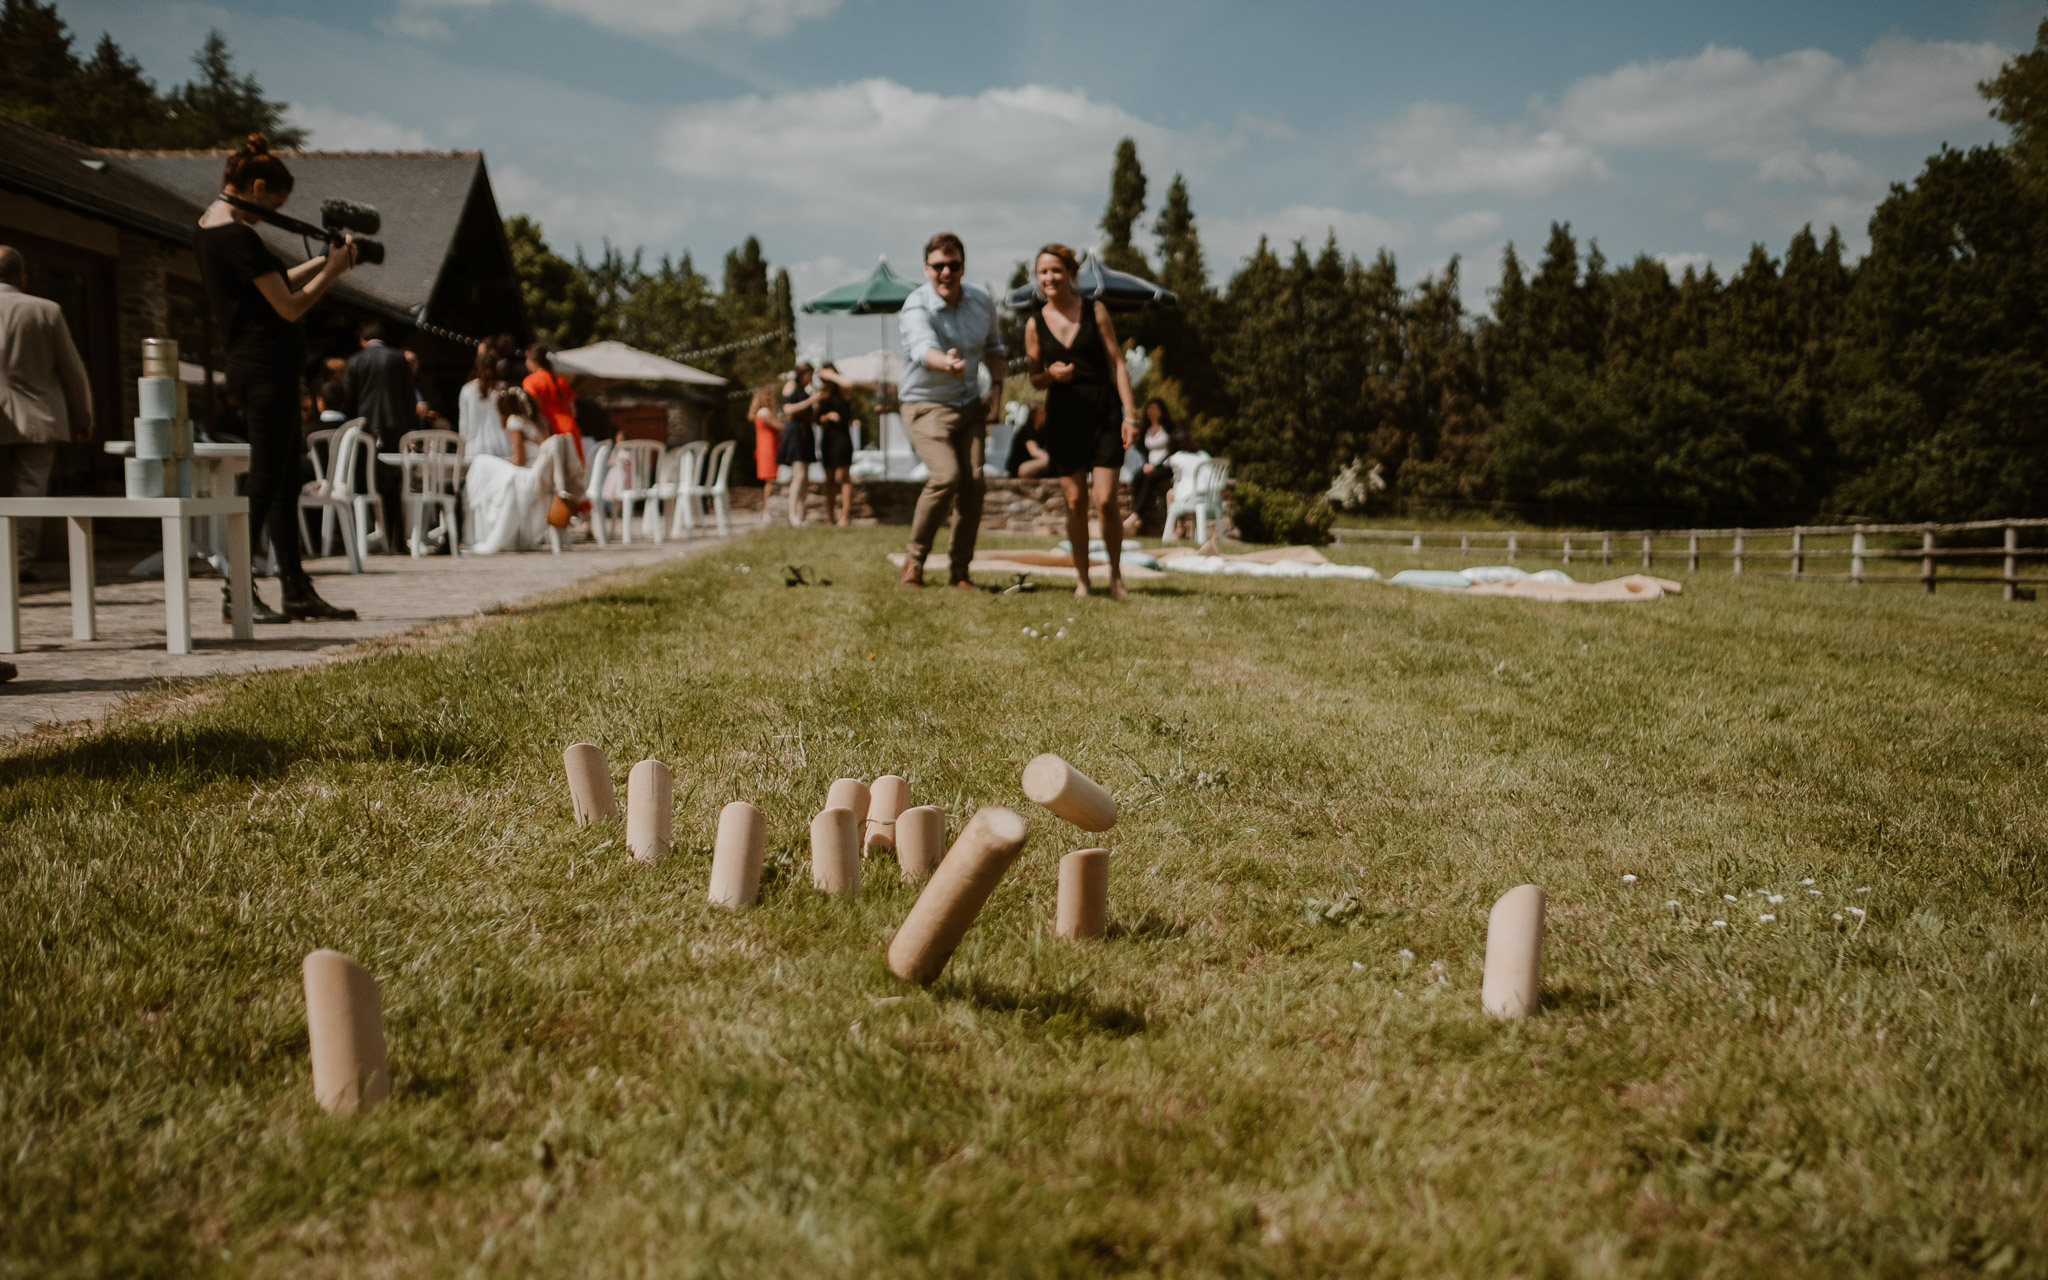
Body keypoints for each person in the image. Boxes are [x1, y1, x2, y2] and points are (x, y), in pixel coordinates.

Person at [195, 134, 357, 621]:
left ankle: (295, 588)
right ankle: (237, 593)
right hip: (265, 370)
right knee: (265, 481)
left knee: (285, 480)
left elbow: (274, 281)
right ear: (255, 185)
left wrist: (325, 262)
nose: (267, 214)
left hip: (261, 369)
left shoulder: (209, 227)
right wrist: (331, 275)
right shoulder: (237, 235)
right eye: (270, 204)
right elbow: (288, 307)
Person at [1023, 243, 1139, 598]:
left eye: (1056, 270)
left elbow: (1117, 362)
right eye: (1043, 272)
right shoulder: (1034, 323)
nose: (1049, 277)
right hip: (1064, 418)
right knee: (1075, 502)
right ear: (1037, 277)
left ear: (1070, 274)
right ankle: (1083, 580)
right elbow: (1034, 378)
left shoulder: (1095, 309)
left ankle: (1116, 576)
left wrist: (1130, 414)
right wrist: (1051, 376)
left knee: (1105, 501)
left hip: (1103, 412)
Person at [898, 231, 1005, 588]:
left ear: (963, 266)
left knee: (974, 483)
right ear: (926, 269)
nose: (946, 272)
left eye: (953, 265)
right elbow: (921, 348)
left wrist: (998, 391)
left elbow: (995, 346)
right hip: (925, 405)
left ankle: (960, 570)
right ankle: (914, 562)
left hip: (969, 404)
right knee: (946, 477)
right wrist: (946, 363)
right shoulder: (916, 305)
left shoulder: (982, 301)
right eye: (938, 266)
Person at [0, 245, 93, 580]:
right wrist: (83, 418)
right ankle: (17, 564)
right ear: (21, 275)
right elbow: (72, 370)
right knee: (29, 489)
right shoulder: (46, 311)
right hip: (38, 417)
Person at [463, 386, 585, 555]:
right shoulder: (541, 421)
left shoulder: (515, 421)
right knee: (489, 471)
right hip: (544, 477)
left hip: (530, 475)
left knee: (481, 464)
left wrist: (502, 461)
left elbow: (519, 460)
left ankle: (481, 533)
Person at [1124, 398, 1189, 533]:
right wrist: (1146, 464)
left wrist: (1157, 465)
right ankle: (1139, 515)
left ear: (1161, 411)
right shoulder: (1145, 429)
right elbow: (1142, 449)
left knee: (1150, 478)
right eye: (1149, 408)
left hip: (1166, 466)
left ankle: (1136, 514)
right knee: (1137, 477)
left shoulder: (1169, 429)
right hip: (1150, 464)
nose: (1151, 412)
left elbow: (1173, 450)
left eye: (1154, 409)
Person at [776, 361, 818, 527]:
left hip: (806, 432)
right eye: (809, 374)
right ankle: (792, 515)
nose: (811, 378)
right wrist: (809, 402)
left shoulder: (805, 390)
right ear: (803, 374)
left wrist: (814, 407)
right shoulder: (791, 385)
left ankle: (801, 515)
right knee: (799, 475)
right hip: (795, 433)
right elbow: (787, 409)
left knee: (805, 477)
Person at [815, 362, 856, 526]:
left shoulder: (843, 391)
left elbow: (849, 383)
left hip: (842, 438)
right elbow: (817, 419)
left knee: (842, 477)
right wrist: (826, 417)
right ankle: (829, 516)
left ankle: (845, 516)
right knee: (830, 479)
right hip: (827, 439)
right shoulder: (821, 394)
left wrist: (830, 374)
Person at [457, 342, 511, 459]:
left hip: (475, 447)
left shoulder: (467, 390)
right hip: (501, 446)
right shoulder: (503, 388)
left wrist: (462, 447)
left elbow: (464, 423)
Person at [1005, 402, 1051, 478]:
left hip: (1034, 465)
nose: (1045, 414)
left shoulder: (1043, 431)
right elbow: (1034, 451)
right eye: (1042, 412)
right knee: (1048, 461)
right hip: (1020, 469)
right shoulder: (1026, 431)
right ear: (1035, 415)